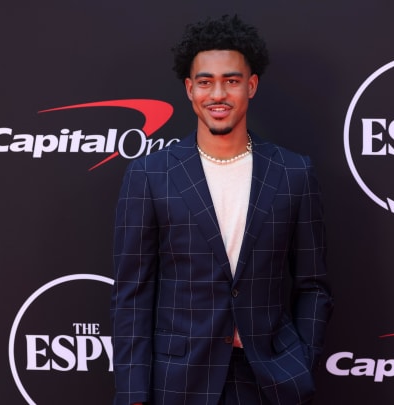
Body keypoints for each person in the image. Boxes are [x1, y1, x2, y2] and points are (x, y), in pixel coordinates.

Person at [110, 14, 333, 405]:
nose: (218, 94)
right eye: (205, 81)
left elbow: (313, 284)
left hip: (270, 377)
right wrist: (132, 394)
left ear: (251, 86)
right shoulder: (149, 175)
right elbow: (133, 294)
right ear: (189, 89)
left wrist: (301, 361)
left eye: (231, 81)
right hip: (178, 381)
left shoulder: (293, 172)